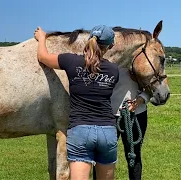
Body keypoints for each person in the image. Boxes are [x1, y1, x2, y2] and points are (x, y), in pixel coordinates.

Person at [34, 25, 119, 180]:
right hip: (107, 131)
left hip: (80, 130)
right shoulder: (114, 70)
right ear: (110, 46)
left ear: (89, 40)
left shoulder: (71, 61)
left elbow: (43, 57)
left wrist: (41, 38)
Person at [92, 67, 151, 180]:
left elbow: (152, 88)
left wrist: (139, 100)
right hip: (107, 115)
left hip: (136, 115)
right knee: (101, 155)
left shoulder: (141, 62)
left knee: (134, 155)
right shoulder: (106, 61)